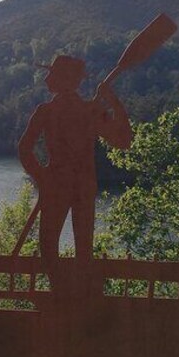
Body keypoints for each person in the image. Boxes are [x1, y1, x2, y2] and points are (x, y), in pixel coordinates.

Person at [18, 55, 132, 266]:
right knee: (73, 250)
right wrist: (112, 101)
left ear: (64, 79)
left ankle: (69, 293)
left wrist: (43, 178)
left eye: (51, 74)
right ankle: (70, 293)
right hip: (79, 186)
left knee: (52, 248)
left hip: (64, 186)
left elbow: (124, 141)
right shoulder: (85, 110)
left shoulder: (54, 111)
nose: (46, 79)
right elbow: (124, 140)